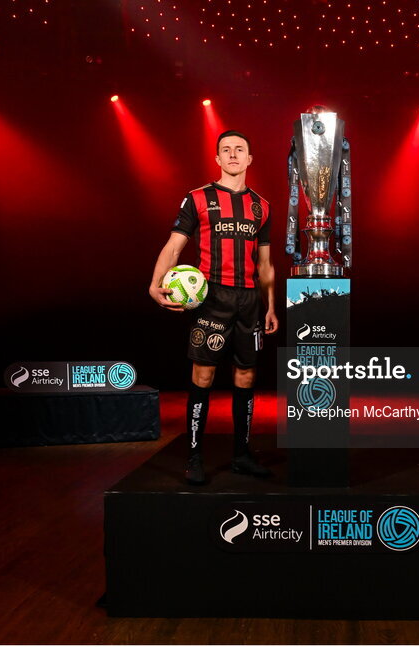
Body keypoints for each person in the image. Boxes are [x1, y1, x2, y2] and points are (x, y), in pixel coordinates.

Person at [148, 130, 278, 485]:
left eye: (240, 149)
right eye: (226, 150)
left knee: (246, 376)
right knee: (203, 375)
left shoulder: (262, 206)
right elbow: (174, 247)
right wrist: (154, 284)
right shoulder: (198, 198)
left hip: (249, 301)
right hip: (212, 299)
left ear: (249, 159)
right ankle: (194, 456)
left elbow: (265, 264)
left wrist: (270, 306)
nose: (233, 154)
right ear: (218, 158)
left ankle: (242, 455)